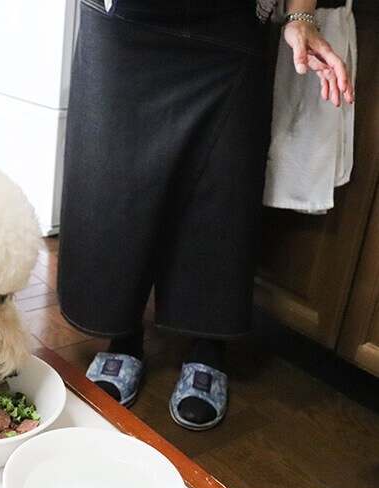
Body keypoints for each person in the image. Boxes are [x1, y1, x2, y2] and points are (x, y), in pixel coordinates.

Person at [57, 0, 353, 430]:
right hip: (124, 21)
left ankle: (207, 348)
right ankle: (122, 337)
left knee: (221, 188)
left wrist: (301, 15)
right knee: (114, 183)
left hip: (230, 23)